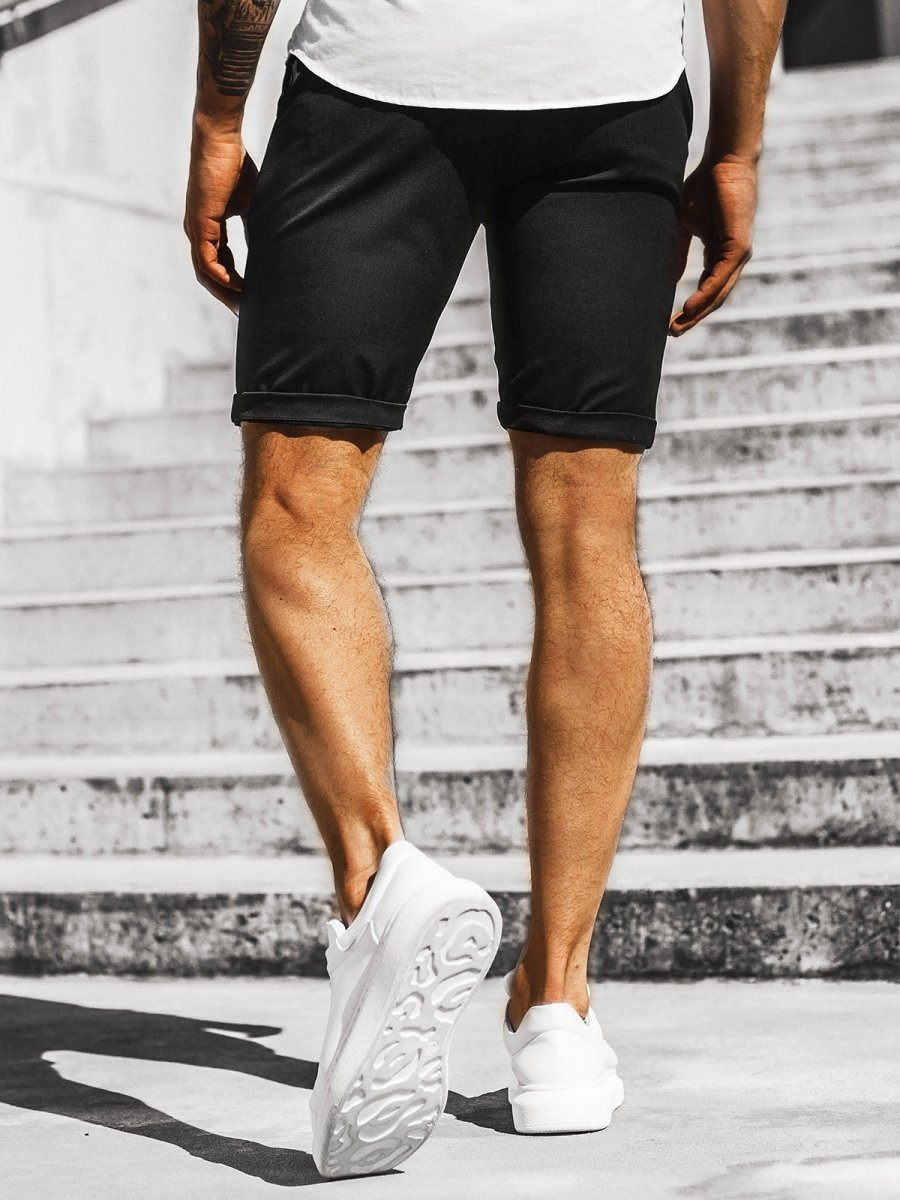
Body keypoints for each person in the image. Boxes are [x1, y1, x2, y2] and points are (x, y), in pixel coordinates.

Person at [185, 0, 786, 1178]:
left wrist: (217, 120)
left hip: (374, 80)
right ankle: (556, 1008)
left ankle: (381, 887)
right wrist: (735, 145)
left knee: (299, 506)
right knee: (588, 534)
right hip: (610, 89)